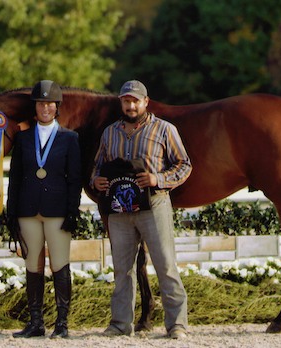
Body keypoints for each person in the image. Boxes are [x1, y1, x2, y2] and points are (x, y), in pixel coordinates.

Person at [91, 80, 192, 339]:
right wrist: (97, 181)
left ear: (146, 102)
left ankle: (177, 324)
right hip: (119, 209)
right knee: (122, 269)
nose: (131, 105)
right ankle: (120, 324)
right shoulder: (109, 133)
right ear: (121, 103)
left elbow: (184, 165)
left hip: (154, 205)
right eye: (127, 100)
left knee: (165, 265)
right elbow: (98, 167)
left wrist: (159, 179)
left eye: (136, 100)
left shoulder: (165, 130)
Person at [7, 80, 82, 339]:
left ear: (57, 106)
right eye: (41, 103)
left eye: (50, 103)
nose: (45, 108)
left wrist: (73, 211)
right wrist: (11, 211)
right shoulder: (23, 138)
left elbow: (74, 179)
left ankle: (62, 324)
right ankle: (36, 323)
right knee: (32, 265)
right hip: (28, 209)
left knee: (60, 264)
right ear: (35, 107)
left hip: (58, 210)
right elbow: (15, 177)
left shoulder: (70, 139)